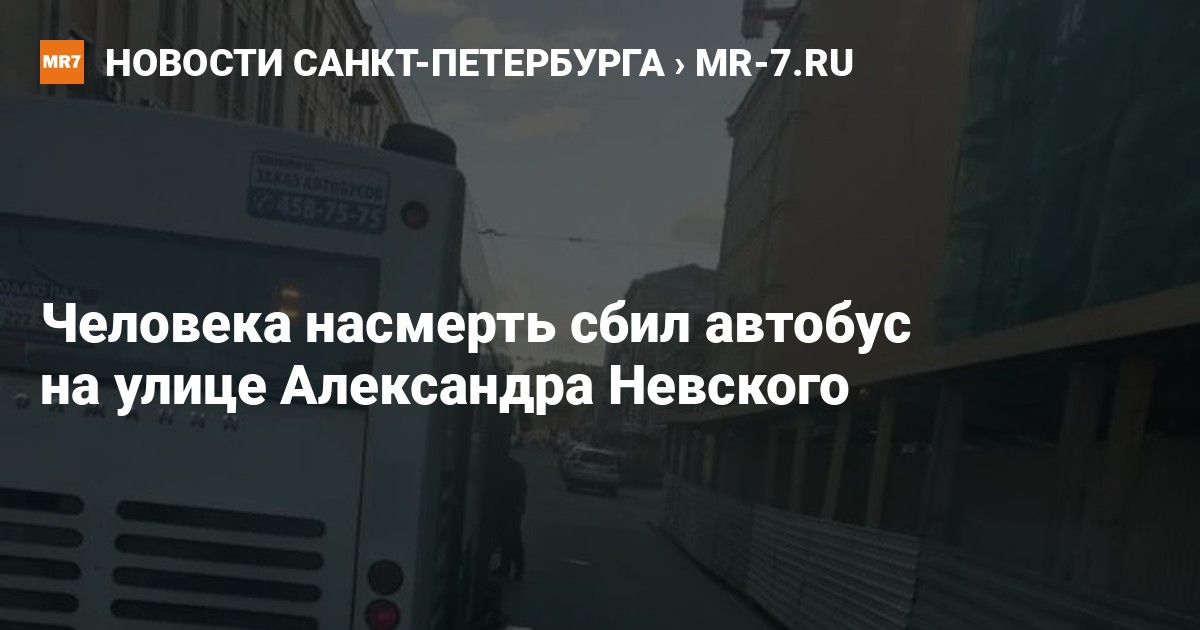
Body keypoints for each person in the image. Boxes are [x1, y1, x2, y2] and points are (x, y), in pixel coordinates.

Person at [494, 453, 527, 581]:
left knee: (510, 538)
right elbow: (523, 488)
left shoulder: (504, 467)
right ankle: (509, 567)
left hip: (509, 508)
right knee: (509, 538)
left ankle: (511, 567)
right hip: (512, 508)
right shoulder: (515, 466)